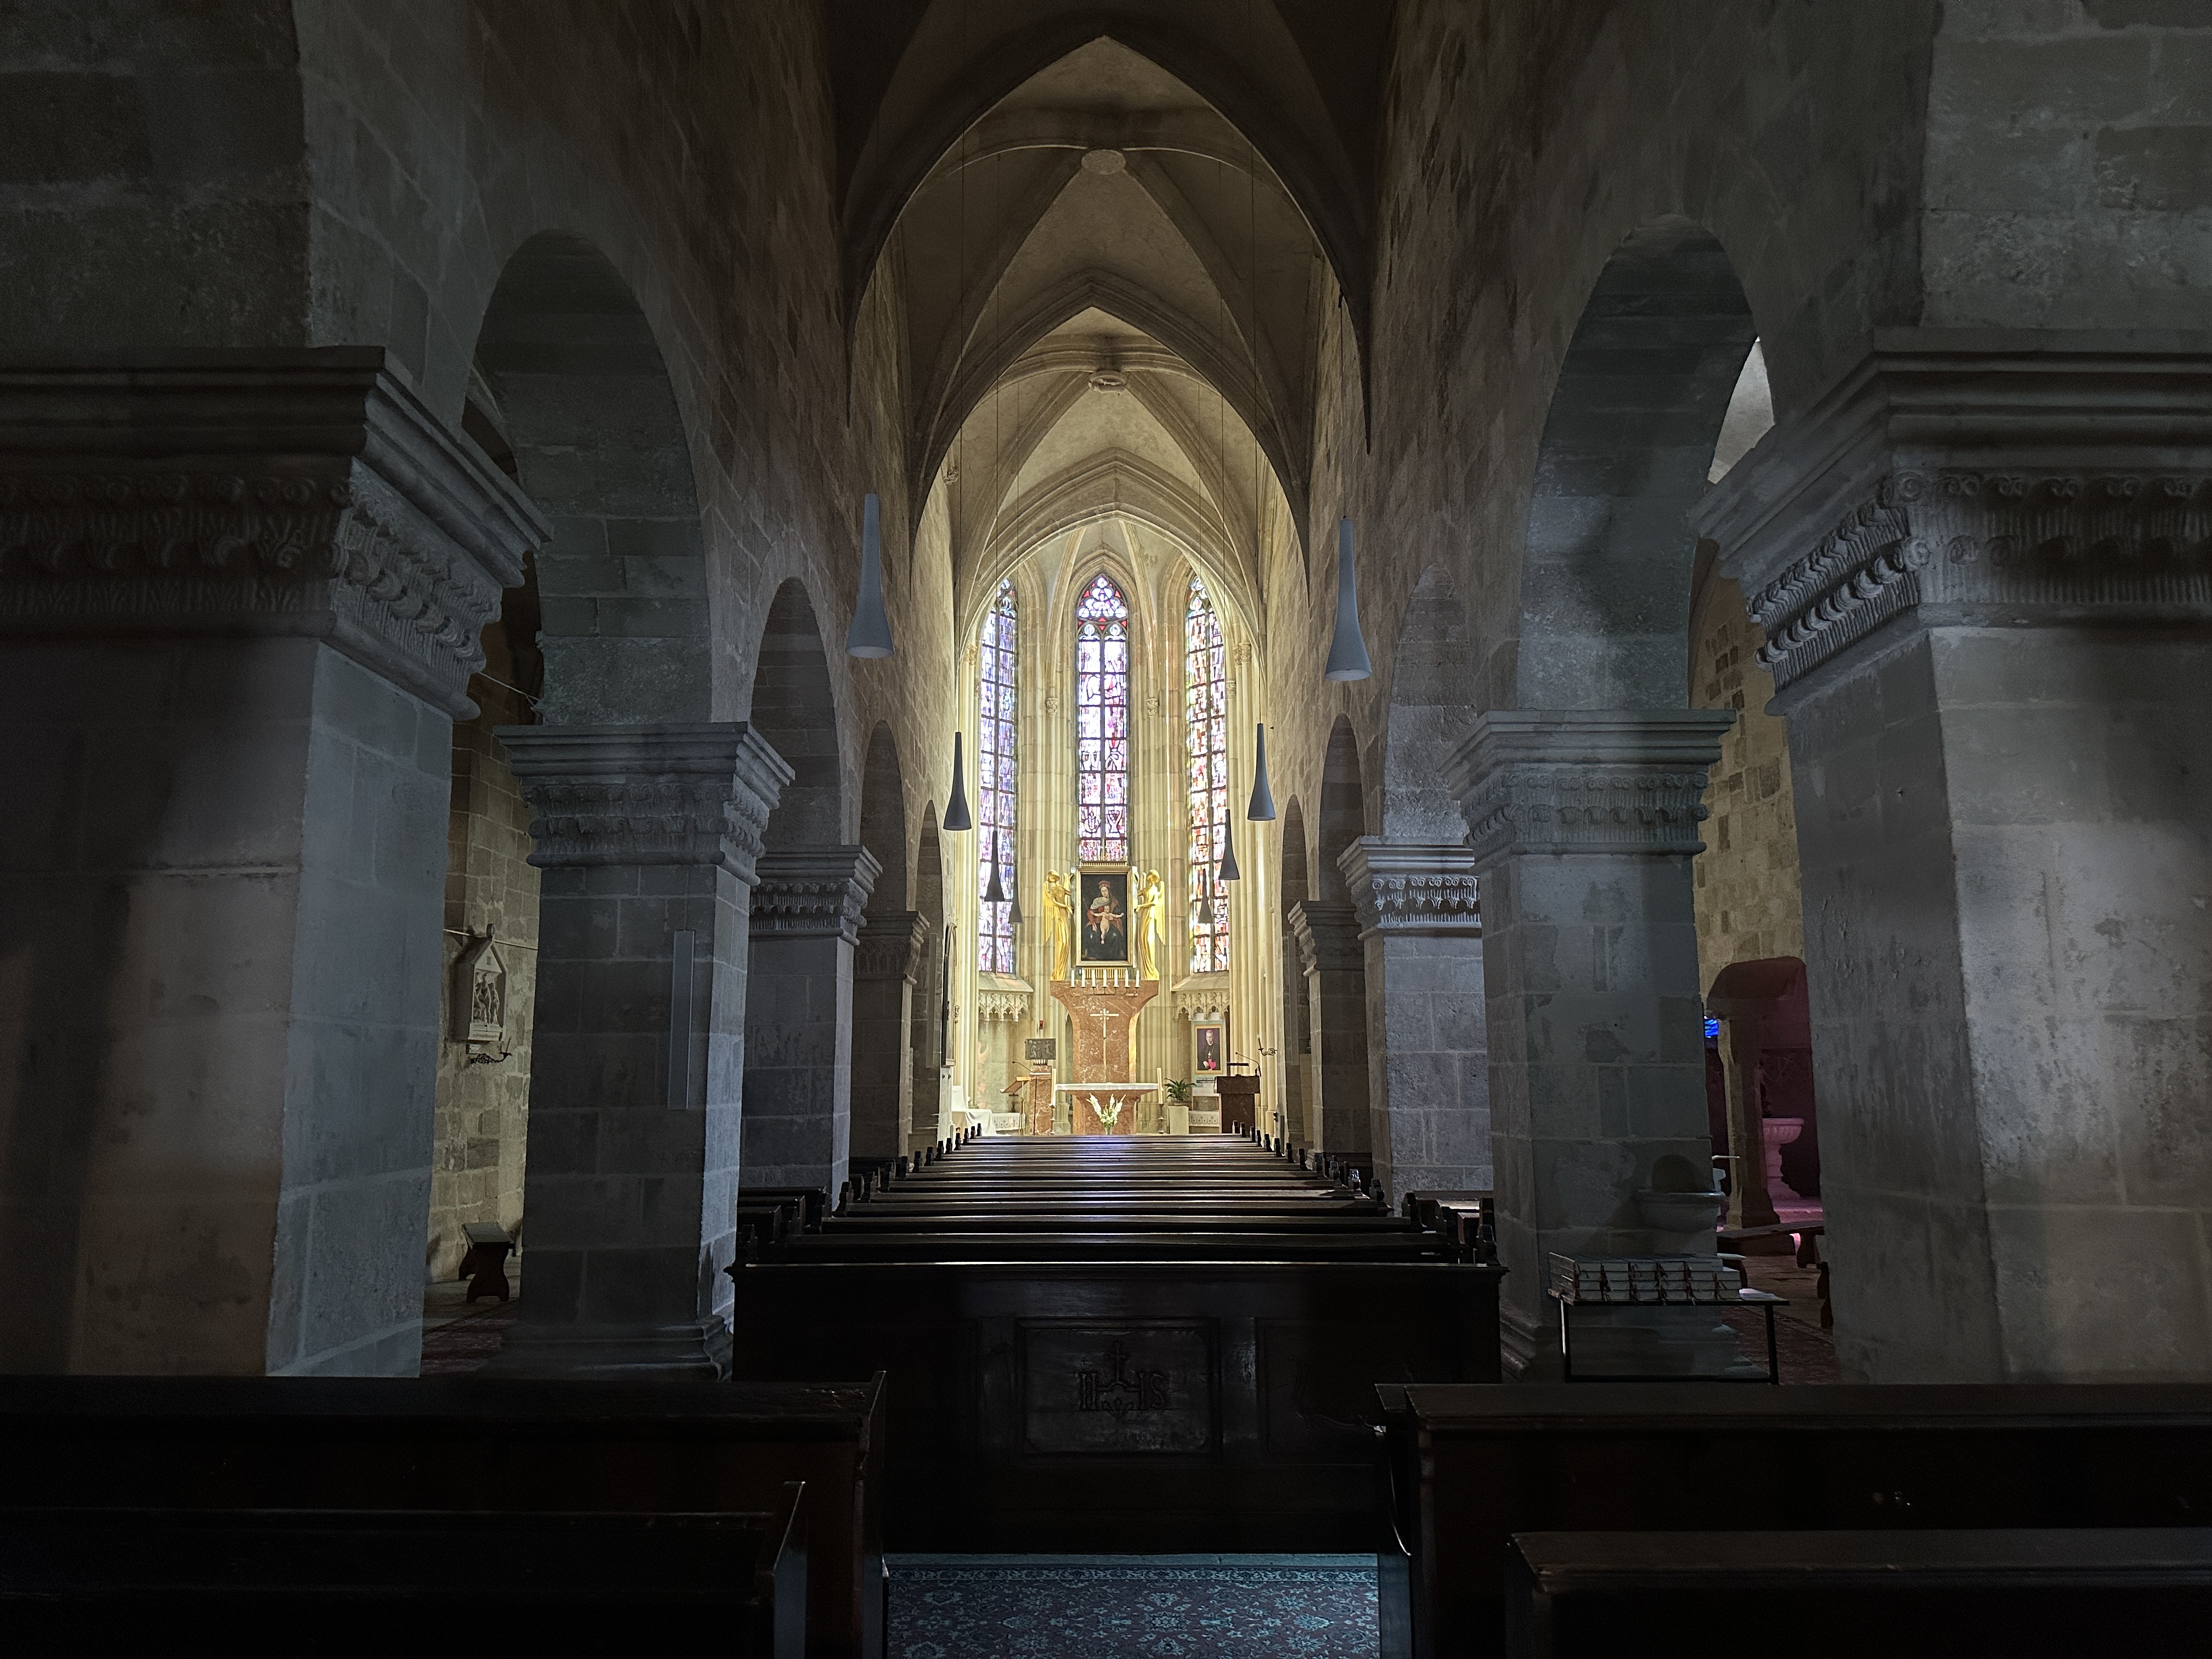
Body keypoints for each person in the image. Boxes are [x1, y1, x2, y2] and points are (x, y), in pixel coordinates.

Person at [1084, 877, 1125, 961]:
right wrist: (1093, 923)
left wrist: (1112, 918)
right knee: (1091, 933)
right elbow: (1091, 913)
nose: (1104, 893)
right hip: (1098, 921)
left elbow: (1119, 915)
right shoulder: (1097, 901)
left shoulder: (1114, 902)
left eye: (1106, 891)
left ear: (1108, 891)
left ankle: (1114, 956)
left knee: (1115, 935)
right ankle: (1093, 954)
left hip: (1112, 922)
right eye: (1102, 891)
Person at [1043, 867, 1073, 981]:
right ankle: (1057, 973)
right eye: (1051, 878)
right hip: (1059, 915)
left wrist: (1069, 881)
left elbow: (1071, 893)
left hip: (1065, 915)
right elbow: (1053, 902)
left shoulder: (1061, 888)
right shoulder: (1052, 890)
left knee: (1067, 942)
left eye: (1054, 877)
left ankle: (1061, 973)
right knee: (1063, 942)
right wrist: (1066, 906)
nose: (1053, 879)